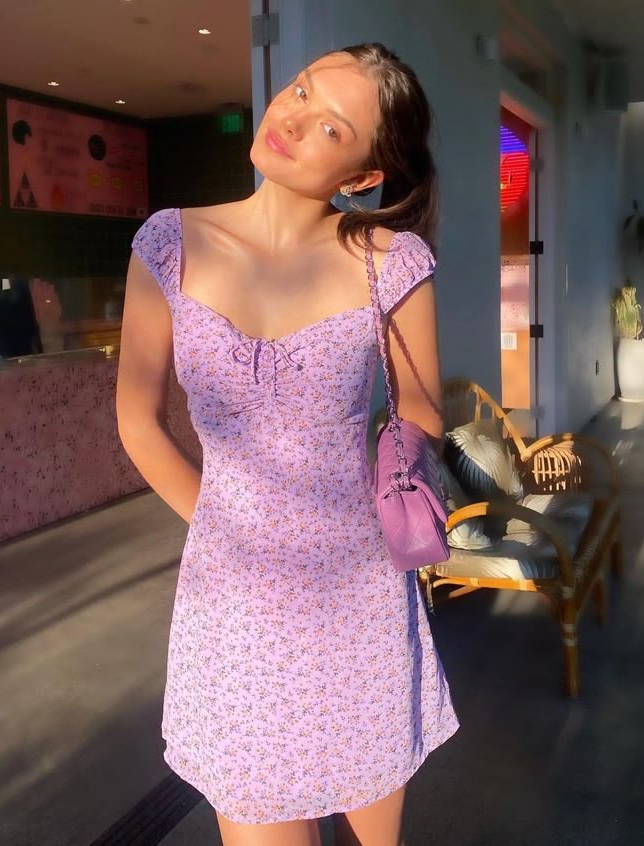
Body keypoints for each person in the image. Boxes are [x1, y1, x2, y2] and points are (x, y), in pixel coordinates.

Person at [116, 43, 459, 846]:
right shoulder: (169, 243)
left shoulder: (391, 260)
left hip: (357, 594)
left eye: (332, 127)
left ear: (362, 176)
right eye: (301, 91)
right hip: (234, 608)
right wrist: (226, 523)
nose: (294, 119)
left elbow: (420, 409)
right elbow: (138, 420)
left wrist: (392, 491)